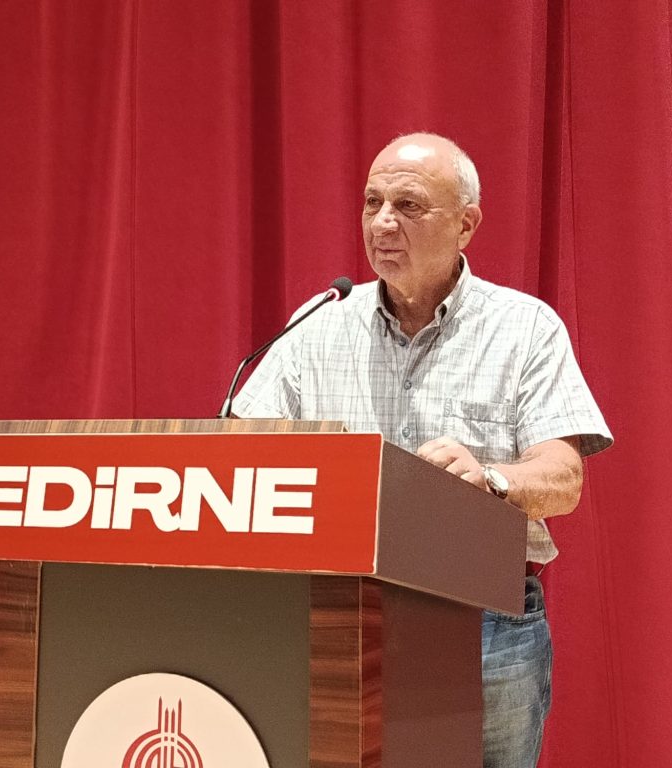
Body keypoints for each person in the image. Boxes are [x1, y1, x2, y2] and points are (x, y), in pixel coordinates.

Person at [232, 132, 612, 767]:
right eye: (372, 202)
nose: (383, 222)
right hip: (340, 616)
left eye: (408, 205)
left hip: (483, 623)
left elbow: (563, 478)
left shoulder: (524, 328)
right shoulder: (319, 323)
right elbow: (243, 451)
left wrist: (489, 478)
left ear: (465, 225)